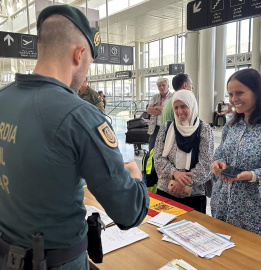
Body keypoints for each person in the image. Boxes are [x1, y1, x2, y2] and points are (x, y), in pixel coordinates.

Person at [0, 4, 149, 270]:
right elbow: (130, 211)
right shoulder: (79, 116)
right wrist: (136, 176)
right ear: (80, 54)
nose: (86, 73)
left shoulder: (4, 99)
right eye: (90, 63)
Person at [211, 68, 261, 238]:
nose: (233, 99)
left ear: (257, 92)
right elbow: (221, 152)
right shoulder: (232, 124)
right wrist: (218, 163)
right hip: (224, 206)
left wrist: (252, 175)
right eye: (230, 94)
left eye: (239, 93)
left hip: (256, 215)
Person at [154, 90, 214, 213]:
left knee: (193, 230)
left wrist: (183, 183)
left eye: (183, 106)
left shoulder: (204, 130)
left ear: (191, 106)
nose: (179, 111)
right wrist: (175, 173)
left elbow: (206, 164)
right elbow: (158, 158)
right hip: (167, 191)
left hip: (193, 195)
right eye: (176, 107)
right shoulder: (166, 128)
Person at [147, 78, 172, 151]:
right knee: (152, 148)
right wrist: (164, 110)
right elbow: (149, 110)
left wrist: (156, 107)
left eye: (163, 85)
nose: (161, 87)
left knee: (166, 149)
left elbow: (171, 111)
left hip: (167, 127)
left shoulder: (172, 97)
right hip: (155, 127)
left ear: (168, 86)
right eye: (159, 86)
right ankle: (151, 162)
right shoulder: (155, 97)